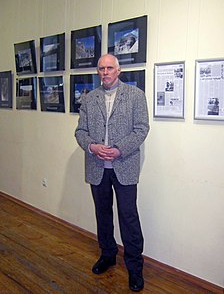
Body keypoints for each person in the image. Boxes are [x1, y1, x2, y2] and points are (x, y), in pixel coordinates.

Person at [75, 54, 149, 292]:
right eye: (101, 69)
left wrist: (119, 150)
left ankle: (135, 268)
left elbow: (141, 129)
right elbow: (80, 131)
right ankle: (107, 255)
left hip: (124, 165)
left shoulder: (136, 96)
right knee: (103, 215)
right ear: (98, 72)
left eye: (109, 68)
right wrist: (91, 146)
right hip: (97, 167)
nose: (105, 72)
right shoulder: (89, 99)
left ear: (119, 71)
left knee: (128, 217)